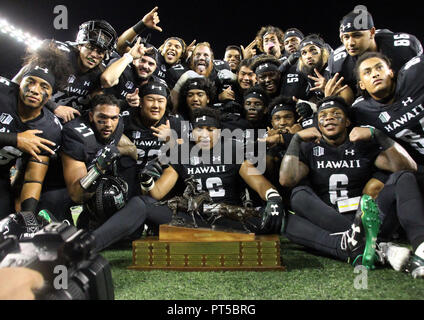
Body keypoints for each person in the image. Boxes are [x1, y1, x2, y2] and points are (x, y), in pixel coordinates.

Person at [90, 107, 285, 252]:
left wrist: (273, 197)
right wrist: (146, 180)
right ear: (192, 131)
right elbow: (156, 193)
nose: (205, 134)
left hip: (228, 218)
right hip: (192, 219)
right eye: (200, 128)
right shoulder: (183, 153)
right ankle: (89, 245)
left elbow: (259, 182)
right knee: (141, 203)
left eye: (211, 129)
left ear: (219, 131)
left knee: (278, 218)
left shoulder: (232, 150)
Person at [279, 96, 424, 276]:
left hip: (368, 219)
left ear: (347, 121)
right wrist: (295, 140)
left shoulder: (362, 145)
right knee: (297, 197)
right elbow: (286, 180)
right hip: (329, 219)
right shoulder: (310, 148)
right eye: (322, 115)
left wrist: (377, 135)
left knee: (403, 177)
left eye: (335, 114)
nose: (329, 118)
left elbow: (408, 167)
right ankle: (379, 247)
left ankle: (420, 247)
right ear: (317, 124)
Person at [0, 41, 70, 218]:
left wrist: (28, 216)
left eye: (43, 86)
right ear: (20, 82)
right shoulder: (2, 93)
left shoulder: (49, 128)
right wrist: (15, 139)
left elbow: (33, 179)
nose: (34, 90)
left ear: (51, 94)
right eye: (30, 82)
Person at [14, 20, 118, 123]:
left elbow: (99, 104)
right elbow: (21, 80)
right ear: (79, 45)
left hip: (66, 122)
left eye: (100, 51)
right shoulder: (59, 54)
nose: (94, 55)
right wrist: (55, 107)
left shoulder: (100, 72)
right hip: (36, 110)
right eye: (90, 47)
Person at [61, 94, 137, 229]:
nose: (108, 124)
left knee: (127, 166)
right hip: (62, 187)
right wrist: (99, 167)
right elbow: (76, 194)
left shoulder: (116, 124)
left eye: (113, 118)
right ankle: (89, 220)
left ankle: (106, 221)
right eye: (102, 118)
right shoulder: (76, 135)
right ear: (91, 116)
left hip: (91, 175)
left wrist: (116, 152)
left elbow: (132, 149)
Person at [351, 52, 424, 188]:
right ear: (362, 85)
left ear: (391, 72)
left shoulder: (415, 72)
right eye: (367, 72)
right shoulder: (361, 110)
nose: (375, 74)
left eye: (379, 68)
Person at [328, 7, 423, 104]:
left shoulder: (404, 48)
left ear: (372, 33)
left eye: (357, 35)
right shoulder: (339, 63)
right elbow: (347, 102)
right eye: (346, 37)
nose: (350, 43)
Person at [122, 81, 181, 197]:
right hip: (127, 180)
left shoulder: (176, 121)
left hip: (160, 182)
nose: (156, 105)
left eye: (160, 101)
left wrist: (171, 140)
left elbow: (189, 155)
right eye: (150, 99)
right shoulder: (125, 119)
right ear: (141, 102)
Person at [100, 36, 161, 109]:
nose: (145, 66)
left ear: (155, 68)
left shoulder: (157, 84)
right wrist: (125, 103)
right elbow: (107, 80)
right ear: (134, 60)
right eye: (142, 60)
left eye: (151, 64)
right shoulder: (121, 67)